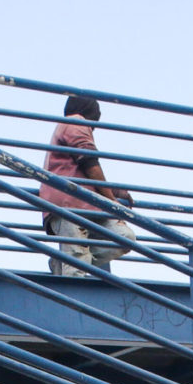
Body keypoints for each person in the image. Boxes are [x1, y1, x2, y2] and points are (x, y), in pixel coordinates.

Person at [40, 94, 133, 276]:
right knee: (76, 263)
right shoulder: (75, 122)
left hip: (84, 201)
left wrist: (115, 192)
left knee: (124, 237)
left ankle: (61, 262)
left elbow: (80, 171)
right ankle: (71, 280)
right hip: (69, 203)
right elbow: (89, 163)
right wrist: (113, 202)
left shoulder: (68, 126)